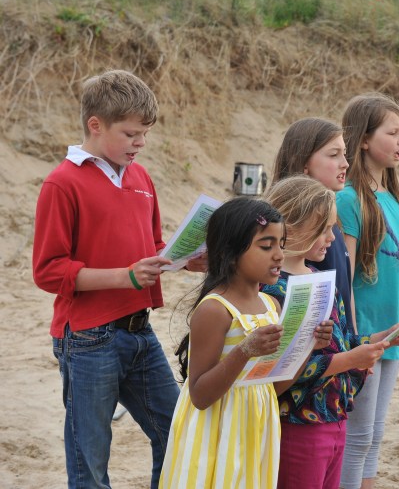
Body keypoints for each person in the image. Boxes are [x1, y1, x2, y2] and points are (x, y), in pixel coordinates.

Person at [31, 70, 196, 488]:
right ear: (96, 125)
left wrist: (187, 260)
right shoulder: (62, 183)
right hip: (87, 338)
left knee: (178, 433)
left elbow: (152, 246)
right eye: (131, 134)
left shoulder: (141, 177)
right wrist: (125, 277)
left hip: (140, 331)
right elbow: (48, 270)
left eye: (145, 134)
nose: (140, 143)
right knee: (90, 459)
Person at [160, 197, 332, 487]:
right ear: (230, 253)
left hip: (255, 426)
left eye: (281, 244)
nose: (279, 255)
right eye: (266, 246)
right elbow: (200, 395)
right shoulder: (215, 310)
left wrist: (307, 346)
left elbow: (273, 386)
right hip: (217, 431)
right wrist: (245, 351)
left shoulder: (271, 305)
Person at [262, 176, 399, 489]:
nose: (332, 238)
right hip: (298, 423)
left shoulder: (320, 278)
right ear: (292, 227)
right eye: (324, 229)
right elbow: (281, 371)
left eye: (333, 228)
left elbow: (341, 342)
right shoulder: (273, 290)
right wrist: (352, 360)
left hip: (335, 417)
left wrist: (383, 338)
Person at [337, 92, 399, 489]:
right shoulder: (348, 199)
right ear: (364, 140)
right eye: (392, 132)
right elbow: (346, 278)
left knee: (374, 434)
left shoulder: (393, 198)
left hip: (394, 333)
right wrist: (357, 342)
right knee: (357, 437)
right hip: (366, 335)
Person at [271, 117, 353, 315]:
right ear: (303, 162)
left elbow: (345, 295)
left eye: (344, 154)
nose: (345, 164)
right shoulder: (297, 234)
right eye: (334, 155)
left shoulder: (332, 227)